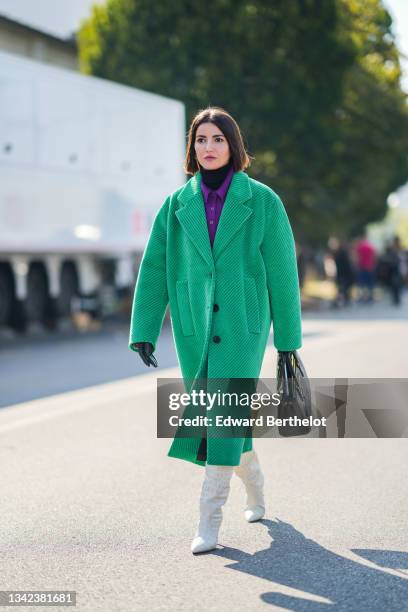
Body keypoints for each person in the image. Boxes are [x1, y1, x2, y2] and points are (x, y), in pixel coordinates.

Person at [128, 107, 302, 553]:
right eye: (201, 139)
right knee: (221, 416)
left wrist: (288, 344)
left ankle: (209, 522)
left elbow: (282, 273)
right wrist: (144, 327)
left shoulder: (262, 200)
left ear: (233, 145)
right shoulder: (175, 205)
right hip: (192, 325)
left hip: (243, 326)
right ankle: (256, 484)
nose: (208, 147)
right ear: (192, 147)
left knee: (221, 414)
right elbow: (153, 269)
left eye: (217, 139)